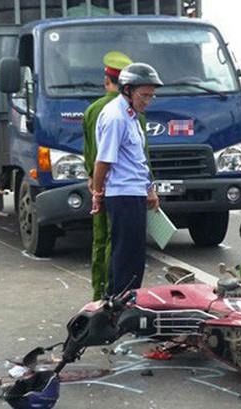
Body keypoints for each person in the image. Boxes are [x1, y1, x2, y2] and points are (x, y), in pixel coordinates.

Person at [91, 62, 162, 297]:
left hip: (134, 193)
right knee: (124, 256)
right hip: (122, 195)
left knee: (134, 256)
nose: (148, 101)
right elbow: (103, 161)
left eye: (151, 96)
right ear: (127, 90)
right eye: (144, 95)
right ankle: (117, 305)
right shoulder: (116, 117)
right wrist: (97, 193)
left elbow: (136, 159)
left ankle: (128, 301)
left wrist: (149, 188)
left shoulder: (132, 116)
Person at [82, 51, 134, 300]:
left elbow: (89, 153)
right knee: (120, 242)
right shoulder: (130, 111)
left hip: (99, 185)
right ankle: (115, 296)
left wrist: (94, 182)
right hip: (123, 189)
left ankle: (98, 294)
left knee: (100, 240)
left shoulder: (92, 110)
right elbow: (141, 153)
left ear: (106, 81)